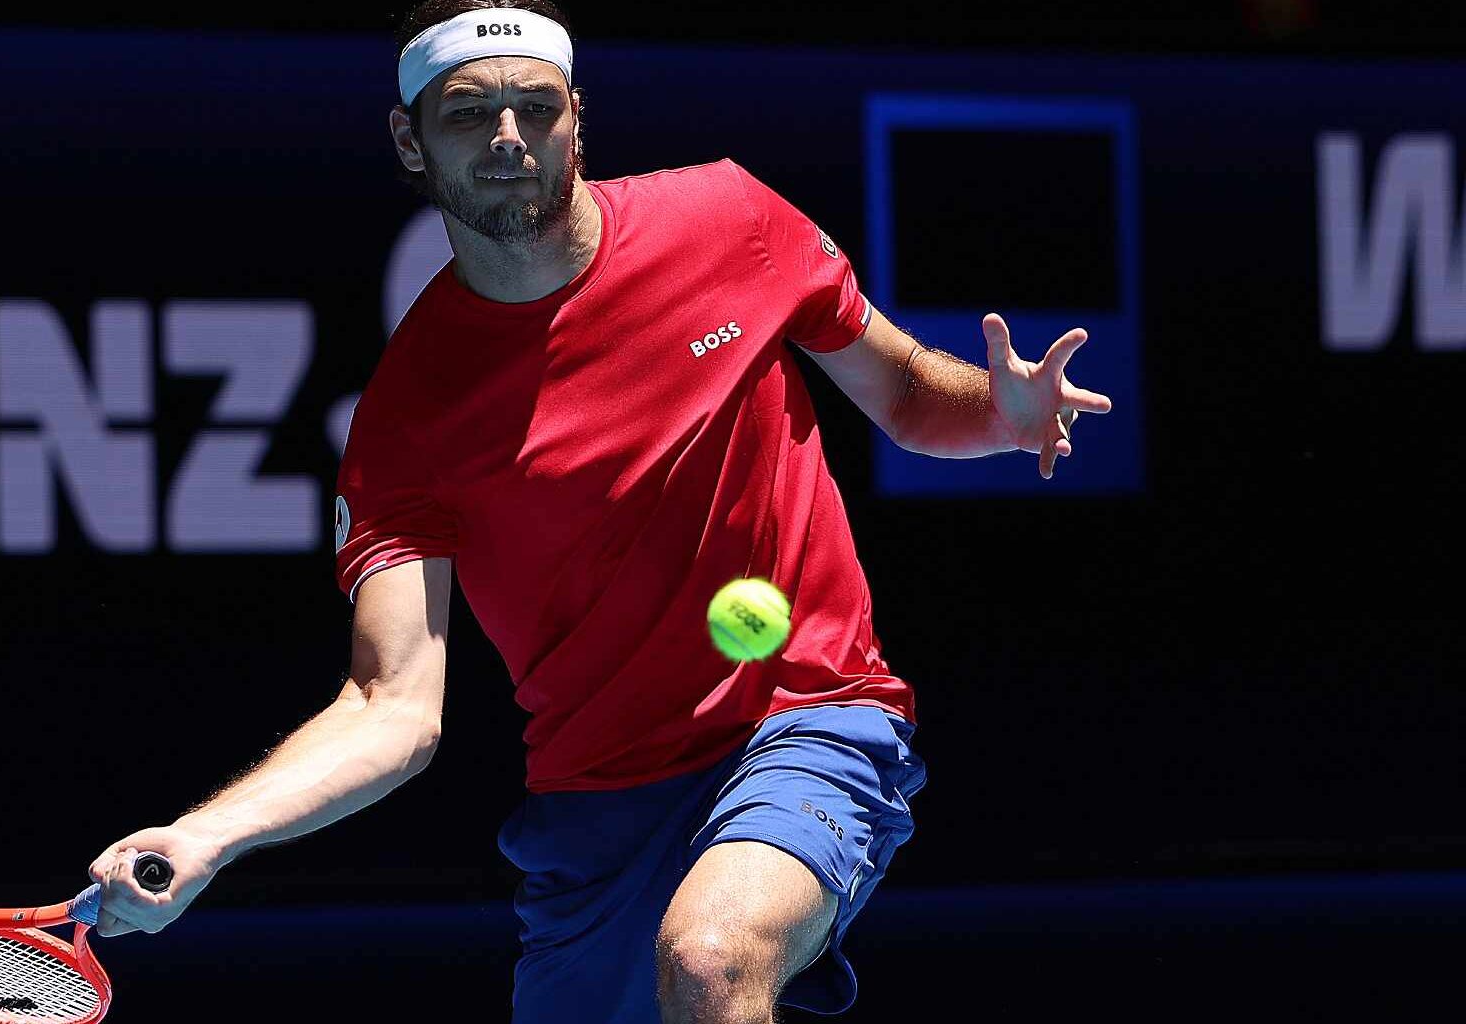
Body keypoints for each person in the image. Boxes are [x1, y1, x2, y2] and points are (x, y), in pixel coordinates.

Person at [89, 2, 1112, 1020]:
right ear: (409, 139)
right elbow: (390, 705)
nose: (507, 138)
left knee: (712, 958)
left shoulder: (733, 221)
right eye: (466, 113)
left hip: (808, 711)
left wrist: (1001, 413)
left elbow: (903, 395)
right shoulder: (408, 419)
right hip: (599, 804)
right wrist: (207, 834)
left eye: (536, 107)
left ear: (578, 117)